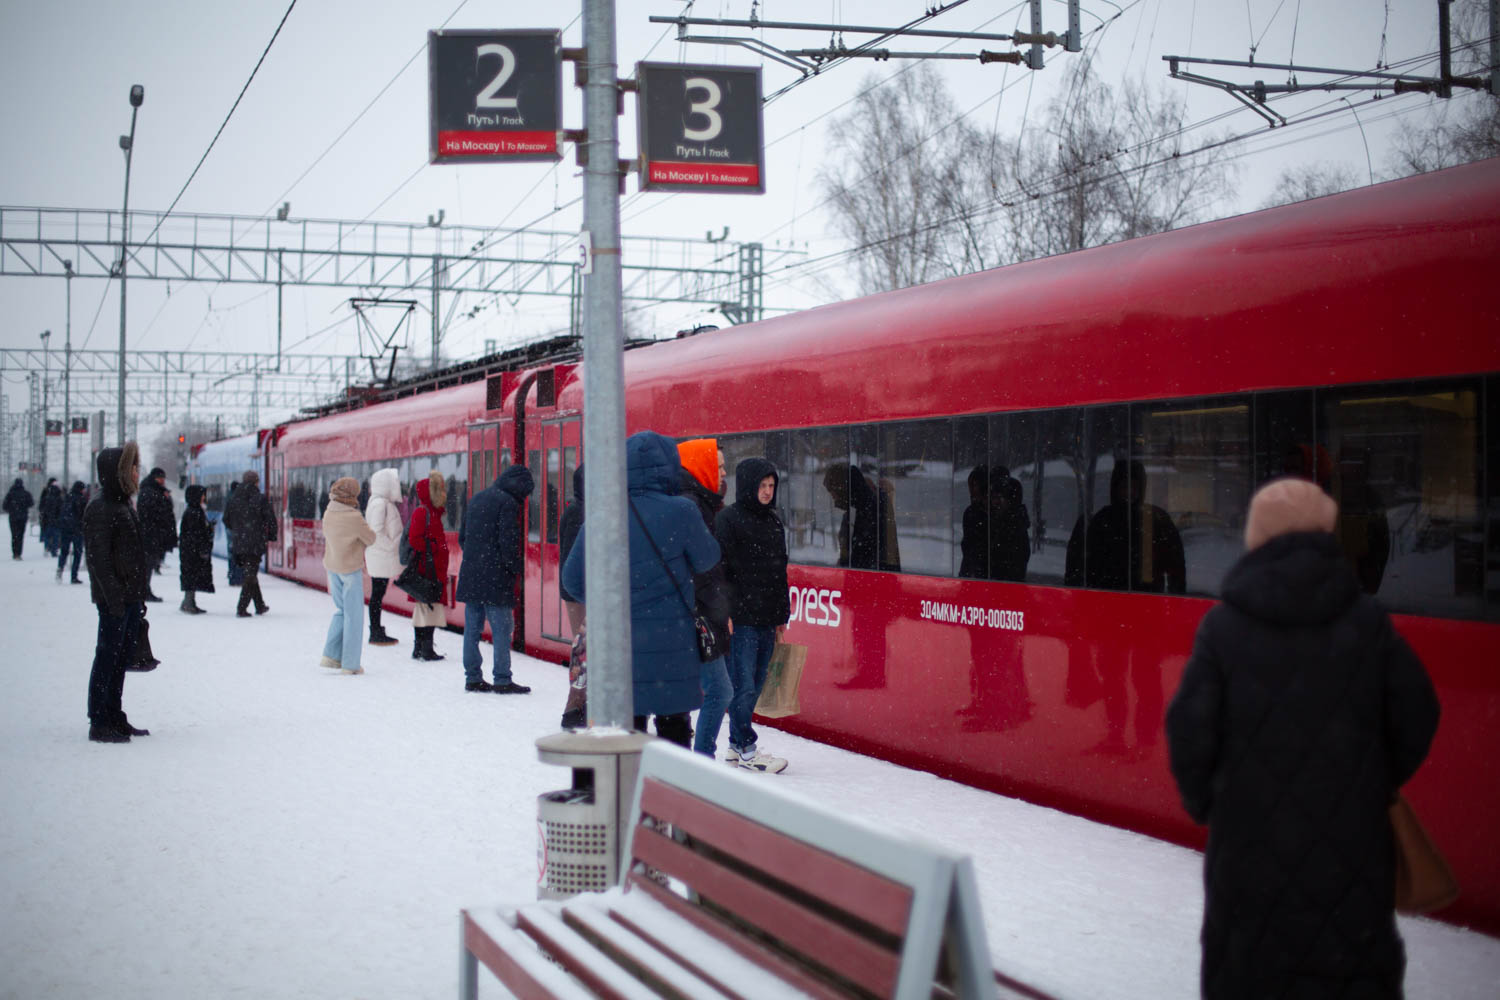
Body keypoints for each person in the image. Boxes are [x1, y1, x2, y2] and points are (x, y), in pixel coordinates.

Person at [1166, 478, 1440, 1000]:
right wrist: (1371, 782)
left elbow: (1188, 734)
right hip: (1353, 859)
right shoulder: (1367, 622)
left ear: (1256, 537)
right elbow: (1418, 713)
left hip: (1247, 858)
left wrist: (1214, 804)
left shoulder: (1224, 628)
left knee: (1253, 970)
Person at [561, 431, 720, 748]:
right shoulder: (682, 511)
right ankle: (668, 795)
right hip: (673, 649)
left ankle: (630, 795)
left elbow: (573, 582)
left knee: (624, 745)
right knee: (674, 740)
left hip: (619, 653)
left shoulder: (602, 516)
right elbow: (708, 559)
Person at [715, 456, 791, 772]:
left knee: (756, 684)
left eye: (771, 486)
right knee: (743, 685)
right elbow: (719, 571)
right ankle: (747, 748)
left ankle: (735, 746)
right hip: (741, 619)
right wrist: (725, 613)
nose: (767, 492)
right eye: (762, 485)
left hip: (765, 617)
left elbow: (779, 572)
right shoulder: (728, 520)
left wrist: (781, 616)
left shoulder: (773, 522)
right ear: (749, 485)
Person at [82, 443, 152, 743]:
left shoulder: (123, 505)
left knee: (120, 658)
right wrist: (115, 600)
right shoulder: (101, 508)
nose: (138, 473)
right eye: (133, 468)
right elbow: (99, 559)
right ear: (119, 472)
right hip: (115, 600)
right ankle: (99, 720)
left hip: (129, 597)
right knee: (107, 657)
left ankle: (114, 714)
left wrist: (137, 596)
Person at [676, 439, 734, 759]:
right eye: (719, 465)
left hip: (697, 612)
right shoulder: (694, 506)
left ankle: (699, 759)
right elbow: (702, 569)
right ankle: (702, 761)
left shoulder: (700, 502)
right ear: (702, 467)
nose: (724, 472)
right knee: (720, 690)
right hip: (699, 615)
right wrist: (716, 609)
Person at [455, 463, 535, 692]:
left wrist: (476, 558)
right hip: (496, 577)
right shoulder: (508, 503)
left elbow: (463, 538)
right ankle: (502, 679)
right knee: (501, 630)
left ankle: (472, 677)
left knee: (472, 630)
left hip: (472, 574)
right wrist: (515, 568)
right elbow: (508, 544)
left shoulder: (477, 498)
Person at [319, 477, 377, 675]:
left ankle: (331, 655)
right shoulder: (353, 517)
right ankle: (350, 664)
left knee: (341, 611)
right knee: (354, 616)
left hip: (332, 567)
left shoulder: (328, 512)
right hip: (350, 570)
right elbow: (370, 538)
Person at [406, 470, 450, 661]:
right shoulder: (423, 512)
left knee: (425, 608)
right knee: (429, 607)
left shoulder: (432, 513)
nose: (443, 493)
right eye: (438, 490)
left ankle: (420, 648)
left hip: (433, 567)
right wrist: (435, 547)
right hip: (427, 569)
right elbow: (414, 539)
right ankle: (426, 649)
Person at [221, 469, 277, 617]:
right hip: (255, 542)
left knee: (250, 572)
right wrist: (271, 535)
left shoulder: (234, 498)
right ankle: (241, 608)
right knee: (250, 574)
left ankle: (260, 605)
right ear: (256, 482)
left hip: (239, 542)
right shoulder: (260, 498)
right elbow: (270, 519)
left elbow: (225, 519)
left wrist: (237, 530)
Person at [363, 468, 403, 647]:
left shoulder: (377, 502)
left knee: (378, 594)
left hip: (379, 555)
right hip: (381, 555)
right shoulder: (380, 504)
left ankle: (377, 629)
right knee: (378, 594)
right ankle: (376, 631)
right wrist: (393, 546)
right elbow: (377, 532)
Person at [136, 467, 177, 600]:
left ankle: (144, 590)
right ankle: (144, 591)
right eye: (161, 478)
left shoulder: (154, 491)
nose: (163, 481)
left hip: (153, 534)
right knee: (148, 564)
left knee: (149, 563)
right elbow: (153, 512)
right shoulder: (150, 492)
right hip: (150, 534)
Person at [557, 464, 586, 635]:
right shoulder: (578, 512)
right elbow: (573, 556)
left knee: (583, 645)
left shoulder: (575, 509)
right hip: (577, 592)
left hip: (576, 590)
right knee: (582, 645)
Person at [177, 484, 214, 614]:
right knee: (191, 575)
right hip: (192, 552)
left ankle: (189, 602)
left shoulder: (194, 510)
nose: (204, 497)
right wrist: (202, 548)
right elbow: (195, 534)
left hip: (190, 551)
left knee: (191, 575)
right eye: (202, 494)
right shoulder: (194, 512)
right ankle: (188, 603)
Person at [55, 480, 87, 584]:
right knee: (77, 553)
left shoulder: (67, 498)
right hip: (77, 530)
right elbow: (84, 515)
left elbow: (61, 512)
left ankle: (60, 569)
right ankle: (74, 576)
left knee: (64, 551)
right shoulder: (81, 500)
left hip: (65, 529)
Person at [4, 477, 34, 559]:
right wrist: (24, 506)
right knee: (20, 535)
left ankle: (15, 553)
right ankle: (19, 553)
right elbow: (31, 503)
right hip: (23, 517)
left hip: (13, 517)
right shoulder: (26, 493)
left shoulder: (10, 494)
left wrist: (11, 509)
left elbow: (4, 506)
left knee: (14, 535)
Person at [38, 478, 62, 556]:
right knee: (55, 536)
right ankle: (54, 551)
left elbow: (41, 506)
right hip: (56, 520)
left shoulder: (46, 496)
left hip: (47, 519)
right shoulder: (59, 498)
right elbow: (61, 508)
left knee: (47, 534)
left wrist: (44, 515)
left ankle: (47, 547)